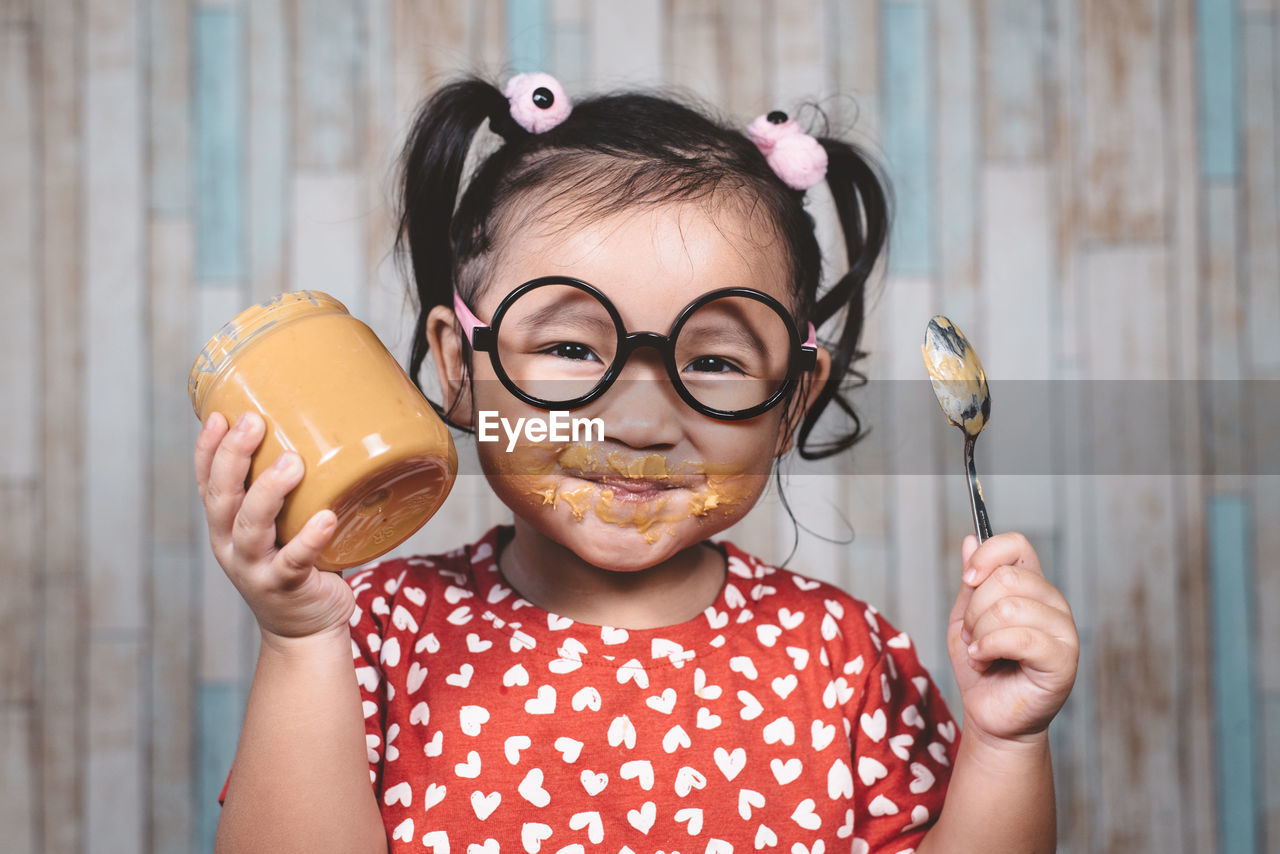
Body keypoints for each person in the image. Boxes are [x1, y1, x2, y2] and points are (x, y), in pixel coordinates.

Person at [196, 72, 1079, 853]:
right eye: (574, 350)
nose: (644, 421)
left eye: (716, 363)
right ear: (460, 368)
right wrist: (303, 640)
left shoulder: (841, 654)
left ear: (793, 399)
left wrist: (1004, 745)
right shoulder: (375, 633)